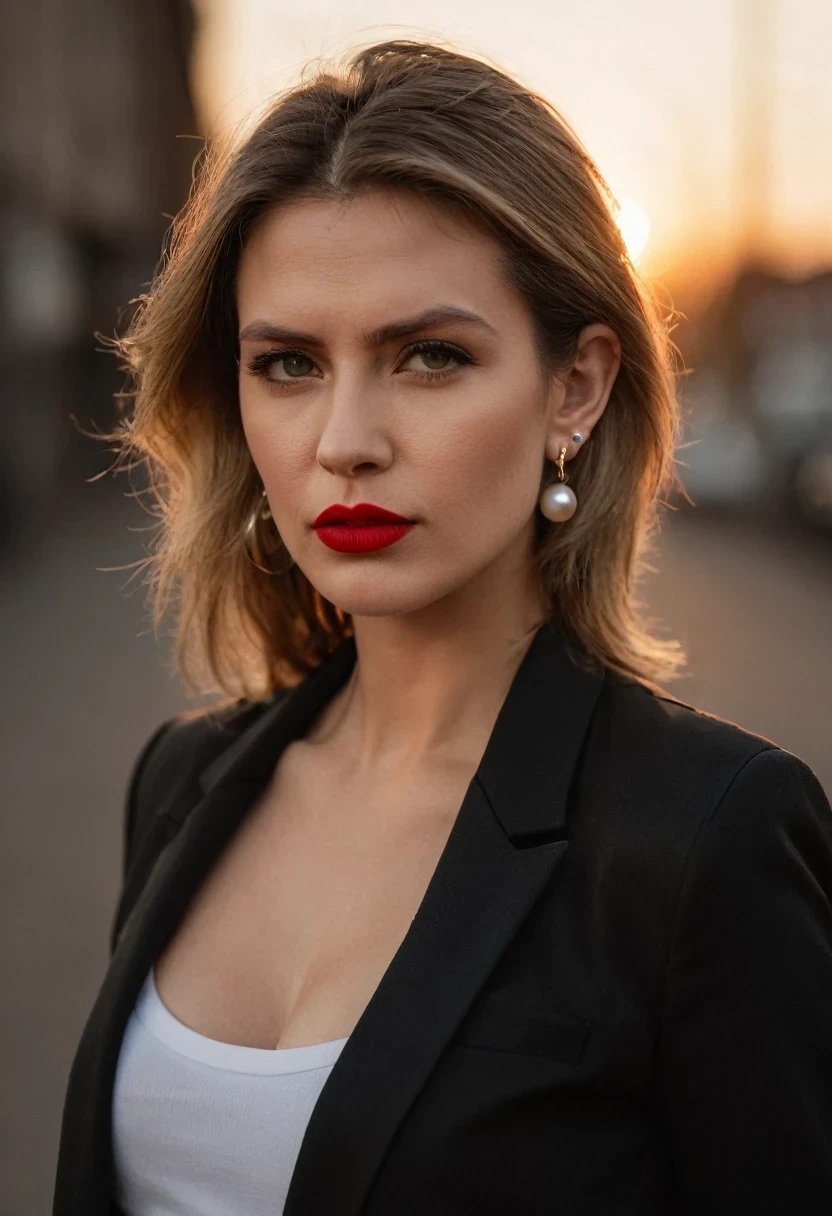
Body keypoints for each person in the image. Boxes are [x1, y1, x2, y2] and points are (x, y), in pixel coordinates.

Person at [53, 39, 832, 1216]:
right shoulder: (184, 780)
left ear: (574, 388)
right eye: (288, 363)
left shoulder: (705, 842)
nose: (344, 439)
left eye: (429, 356)